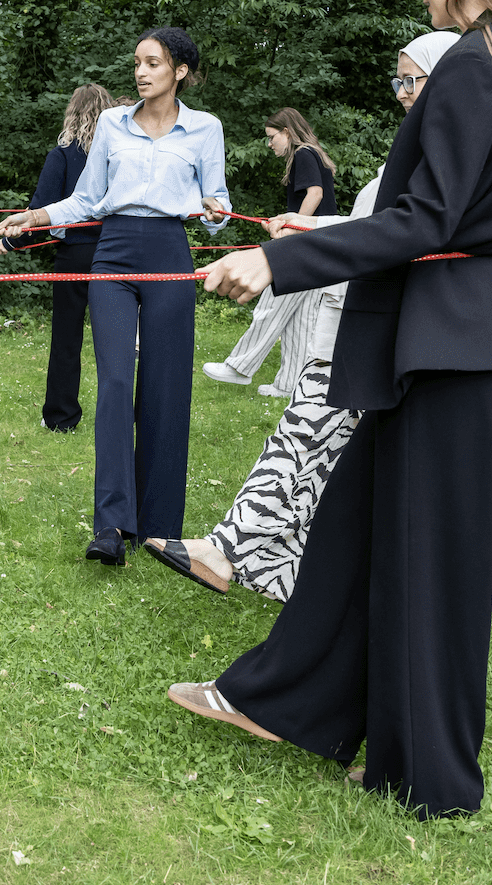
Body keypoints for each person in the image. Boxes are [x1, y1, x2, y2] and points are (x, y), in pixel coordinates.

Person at [175, 0, 492, 819]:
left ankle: (432, 778)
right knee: (356, 521)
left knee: (432, 560)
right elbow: (467, 220)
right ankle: (286, 703)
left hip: (457, 341)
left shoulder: (480, 64)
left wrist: (278, 262)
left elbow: (425, 219)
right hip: (464, 329)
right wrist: (308, 240)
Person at [145, 32, 460, 599]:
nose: (402, 94)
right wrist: (305, 229)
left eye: (412, 80)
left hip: (378, 322)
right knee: (319, 449)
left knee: (304, 435)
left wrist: (289, 249)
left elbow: (402, 234)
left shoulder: (442, 156)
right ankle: (286, 572)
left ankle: (228, 550)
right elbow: (377, 229)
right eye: (399, 81)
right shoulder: (417, 150)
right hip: (357, 312)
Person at [0, 28, 229, 568]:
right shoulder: (110, 126)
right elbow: (86, 199)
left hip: (170, 253)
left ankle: (161, 526)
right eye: (138, 63)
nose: (141, 72)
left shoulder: (205, 129)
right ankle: (111, 524)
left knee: (167, 386)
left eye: (153, 63)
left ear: (180, 71)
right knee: (117, 381)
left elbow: (216, 201)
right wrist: (35, 217)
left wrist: (215, 211)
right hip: (114, 253)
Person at [0, 83, 115, 432]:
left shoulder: (62, 155)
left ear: (72, 113)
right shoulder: (119, 155)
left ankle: (61, 418)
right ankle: (121, 417)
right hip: (116, 254)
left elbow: (40, 212)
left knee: (67, 337)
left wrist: (10, 243)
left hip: (76, 256)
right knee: (117, 340)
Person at [202, 108, 339, 399]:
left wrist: (292, 227)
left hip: (307, 242)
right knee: (301, 317)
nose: (270, 144)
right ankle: (289, 384)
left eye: (272, 137)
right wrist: (283, 220)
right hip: (322, 242)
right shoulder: (312, 153)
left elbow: (315, 194)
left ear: (287, 132)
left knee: (273, 301)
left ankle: (239, 367)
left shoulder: (302, 154)